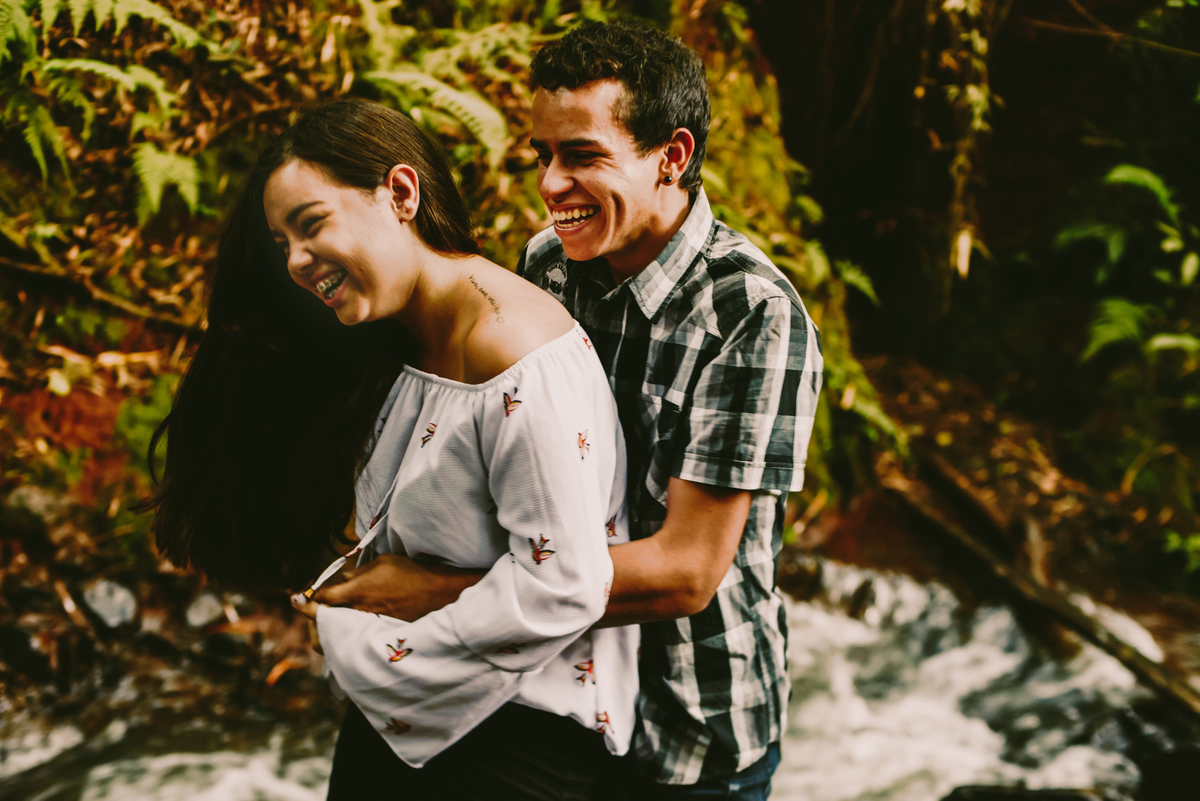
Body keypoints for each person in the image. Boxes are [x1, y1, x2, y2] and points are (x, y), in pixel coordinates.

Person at [315, 21, 825, 800]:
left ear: (673, 157)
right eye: (542, 155)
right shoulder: (546, 263)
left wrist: (435, 588)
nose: (552, 185)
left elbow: (687, 571)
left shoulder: (751, 313)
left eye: (582, 156)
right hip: (556, 709)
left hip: (693, 730)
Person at [143, 98, 639, 800]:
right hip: (412, 721)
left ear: (401, 193)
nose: (296, 260)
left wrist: (379, 640)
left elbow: (566, 581)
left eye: (310, 225)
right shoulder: (402, 340)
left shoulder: (513, 349)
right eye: (282, 243)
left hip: (514, 741)